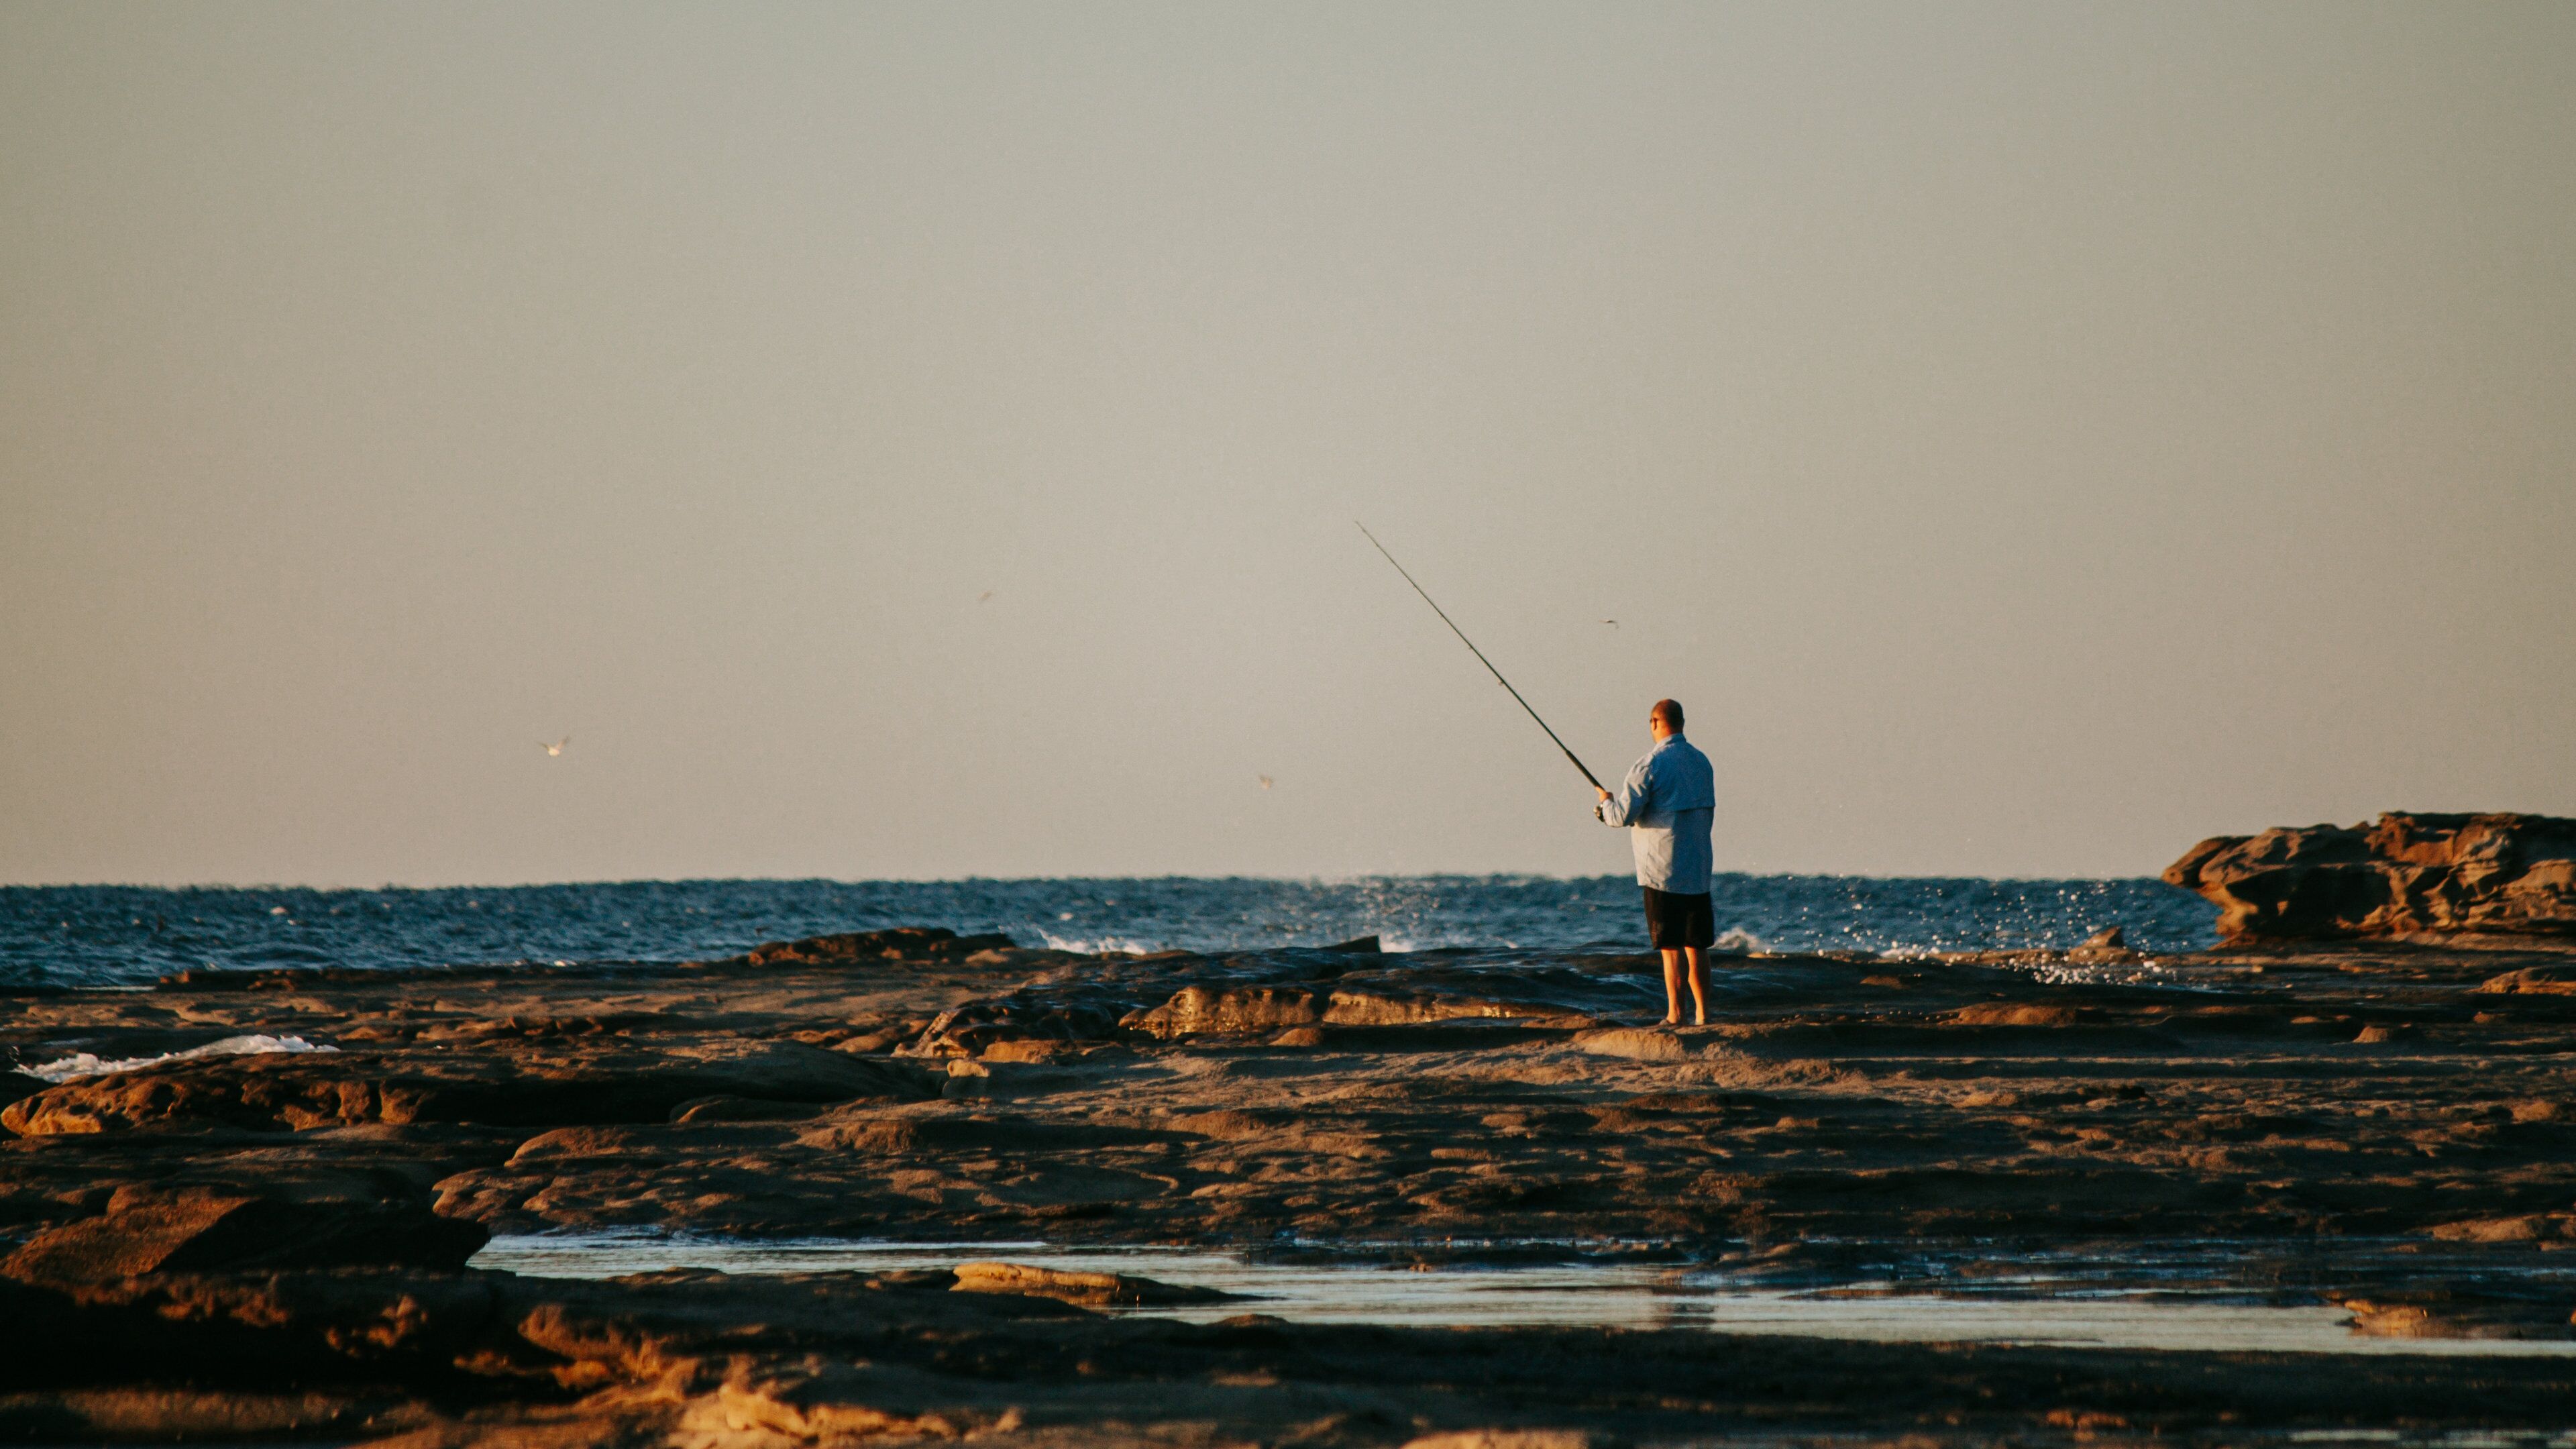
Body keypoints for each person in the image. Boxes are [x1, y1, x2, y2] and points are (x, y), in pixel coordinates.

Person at [1595, 698, 1717, 1025]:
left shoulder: (1649, 765)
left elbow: (1622, 816)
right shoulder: (1702, 762)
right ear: (1682, 723)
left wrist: (1605, 805)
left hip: (1662, 872)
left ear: (1654, 723)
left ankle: (1676, 1015)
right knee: (1698, 946)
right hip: (1698, 869)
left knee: (1671, 948)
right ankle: (1705, 1015)